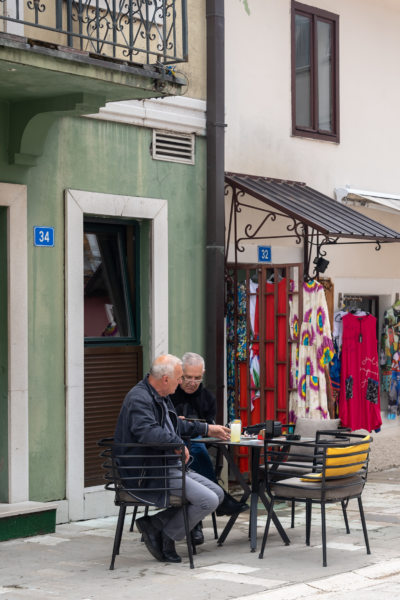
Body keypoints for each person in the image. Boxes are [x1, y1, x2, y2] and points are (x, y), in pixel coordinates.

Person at [114, 354, 231, 564]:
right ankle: (168, 537)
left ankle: (155, 525)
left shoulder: (159, 395)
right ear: (166, 379)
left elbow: (175, 424)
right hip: (147, 473)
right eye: (180, 378)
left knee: (218, 493)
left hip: (165, 466)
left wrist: (207, 428)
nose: (181, 383)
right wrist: (177, 444)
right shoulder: (139, 398)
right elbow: (148, 433)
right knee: (208, 500)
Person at [171, 352, 249, 545]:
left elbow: (210, 428)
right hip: (171, 451)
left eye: (197, 378)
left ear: (203, 375)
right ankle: (220, 500)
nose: (192, 382)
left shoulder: (207, 398)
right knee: (195, 448)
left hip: (194, 450)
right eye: (188, 377)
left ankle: (197, 522)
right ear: (180, 374)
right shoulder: (170, 393)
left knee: (196, 448)